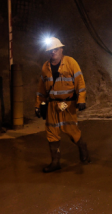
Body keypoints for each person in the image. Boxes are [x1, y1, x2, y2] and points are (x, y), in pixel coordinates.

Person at [35, 37, 91, 172]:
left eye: (55, 49)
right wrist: (38, 105)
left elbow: (80, 82)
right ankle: (55, 162)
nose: (53, 52)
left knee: (72, 131)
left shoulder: (71, 63)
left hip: (68, 104)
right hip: (52, 105)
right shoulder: (45, 67)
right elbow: (42, 89)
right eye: (50, 50)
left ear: (61, 49)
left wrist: (81, 99)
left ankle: (83, 149)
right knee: (51, 133)